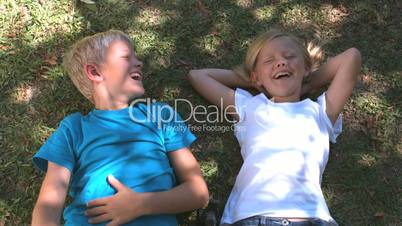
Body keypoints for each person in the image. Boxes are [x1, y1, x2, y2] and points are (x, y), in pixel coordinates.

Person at [31, 30, 209, 226]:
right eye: (126, 56)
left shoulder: (159, 115)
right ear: (95, 72)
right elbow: (48, 206)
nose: (139, 62)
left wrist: (140, 204)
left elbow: (198, 193)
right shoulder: (74, 128)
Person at [187, 29, 361, 226]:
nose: (281, 62)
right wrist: (253, 81)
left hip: (311, 218)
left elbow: (351, 57)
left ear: (306, 67)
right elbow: (198, 76)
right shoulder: (250, 107)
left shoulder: (321, 112)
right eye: (269, 61)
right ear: (256, 76)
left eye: (289, 56)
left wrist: (307, 83)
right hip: (251, 217)